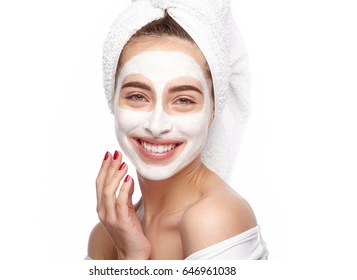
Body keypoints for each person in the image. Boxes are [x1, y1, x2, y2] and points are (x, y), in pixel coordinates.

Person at [86, 0, 268, 260]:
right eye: (138, 96)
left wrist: (130, 261)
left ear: (213, 110)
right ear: (112, 98)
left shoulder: (214, 219)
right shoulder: (109, 234)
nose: (156, 125)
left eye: (183, 100)